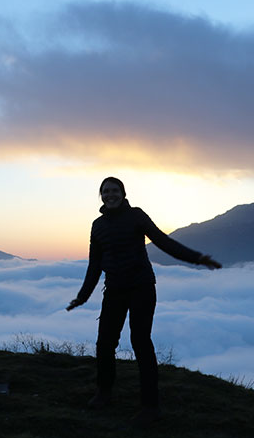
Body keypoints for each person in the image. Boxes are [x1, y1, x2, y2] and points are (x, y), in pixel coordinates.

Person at [66, 177, 221, 425]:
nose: (110, 195)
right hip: (114, 289)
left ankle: (151, 406)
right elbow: (95, 264)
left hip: (141, 288)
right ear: (101, 196)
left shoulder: (136, 216)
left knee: (140, 342)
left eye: (115, 190)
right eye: (105, 192)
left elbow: (163, 241)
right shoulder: (97, 226)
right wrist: (82, 296)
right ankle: (104, 393)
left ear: (123, 193)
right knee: (105, 343)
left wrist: (197, 258)